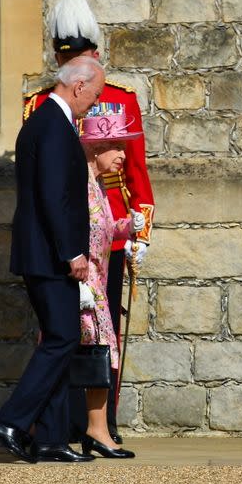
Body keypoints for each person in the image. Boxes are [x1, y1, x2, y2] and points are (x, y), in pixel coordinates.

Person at [24, 0, 155, 444]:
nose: (76, 62)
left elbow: (135, 170)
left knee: (102, 333)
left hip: (111, 232)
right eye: (68, 56)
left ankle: (101, 424)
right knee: (59, 331)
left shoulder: (119, 98)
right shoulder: (39, 104)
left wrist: (142, 231)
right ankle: (58, 426)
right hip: (64, 237)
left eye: (81, 54)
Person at [0, 56, 105, 463]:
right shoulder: (53, 124)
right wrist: (72, 252)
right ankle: (12, 420)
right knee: (62, 339)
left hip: (44, 252)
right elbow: (55, 196)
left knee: (61, 339)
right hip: (51, 255)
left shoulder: (47, 120)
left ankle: (51, 439)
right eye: (96, 95)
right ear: (79, 86)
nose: (95, 103)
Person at [76, 106, 143, 459]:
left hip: (95, 286)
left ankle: (97, 429)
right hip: (80, 287)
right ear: (94, 149)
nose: (122, 155)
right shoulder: (80, 185)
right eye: (115, 146)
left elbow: (101, 231)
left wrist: (127, 229)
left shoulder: (98, 186)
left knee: (99, 353)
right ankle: (36, 426)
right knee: (76, 354)